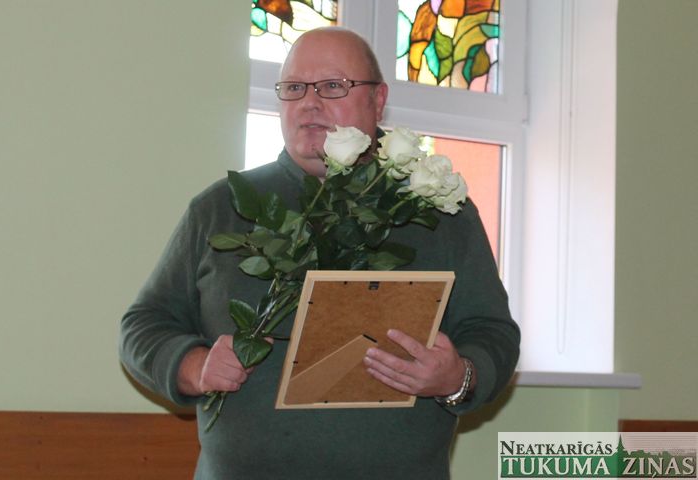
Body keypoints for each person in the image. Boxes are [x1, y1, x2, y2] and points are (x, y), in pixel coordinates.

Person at [120, 27, 520, 479]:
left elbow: (493, 334)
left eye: (332, 86)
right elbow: (143, 326)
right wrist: (193, 366)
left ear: (378, 100)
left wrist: (457, 377)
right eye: (294, 88)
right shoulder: (221, 208)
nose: (309, 103)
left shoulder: (439, 211)